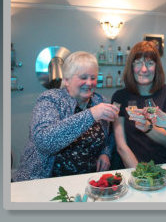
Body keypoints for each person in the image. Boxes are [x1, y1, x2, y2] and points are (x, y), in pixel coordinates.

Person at [12, 51, 119, 181]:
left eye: (93, 77)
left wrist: (105, 152)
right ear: (66, 80)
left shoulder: (100, 101)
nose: (89, 83)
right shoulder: (51, 99)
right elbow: (44, 142)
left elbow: (110, 134)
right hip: (43, 181)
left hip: (86, 182)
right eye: (83, 77)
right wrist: (91, 114)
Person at [111, 41, 166, 168]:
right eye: (138, 63)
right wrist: (141, 175)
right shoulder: (119, 97)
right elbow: (121, 147)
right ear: (131, 67)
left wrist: (148, 127)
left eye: (150, 63)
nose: (144, 69)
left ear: (157, 67)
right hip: (133, 168)